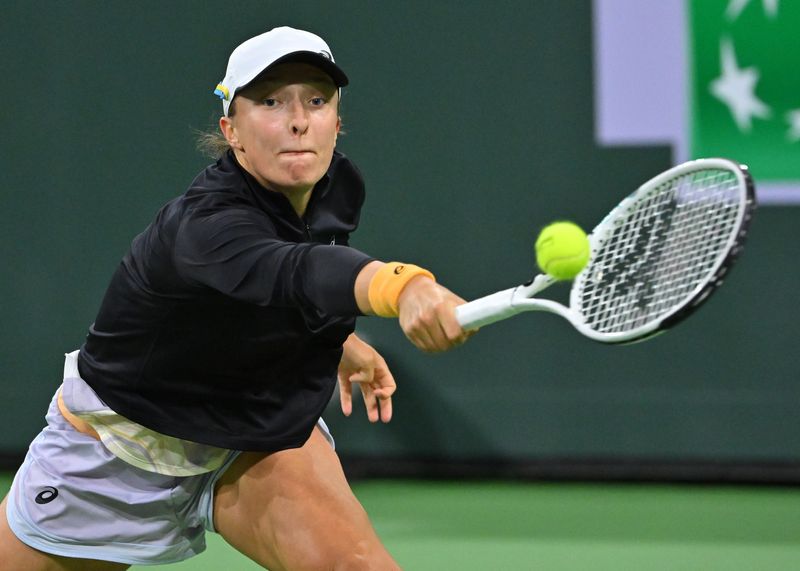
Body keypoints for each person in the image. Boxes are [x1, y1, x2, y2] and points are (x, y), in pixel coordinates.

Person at [0, 26, 472, 571]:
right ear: (231, 130)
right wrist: (405, 285)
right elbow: (295, 269)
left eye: (316, 101)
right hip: (124, 444)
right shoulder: (207, 226)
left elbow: (285, 284)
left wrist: (339, 339)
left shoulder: (336, 185)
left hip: (255, 430)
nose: (298, 120)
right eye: (271, 101)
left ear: (337, 124)